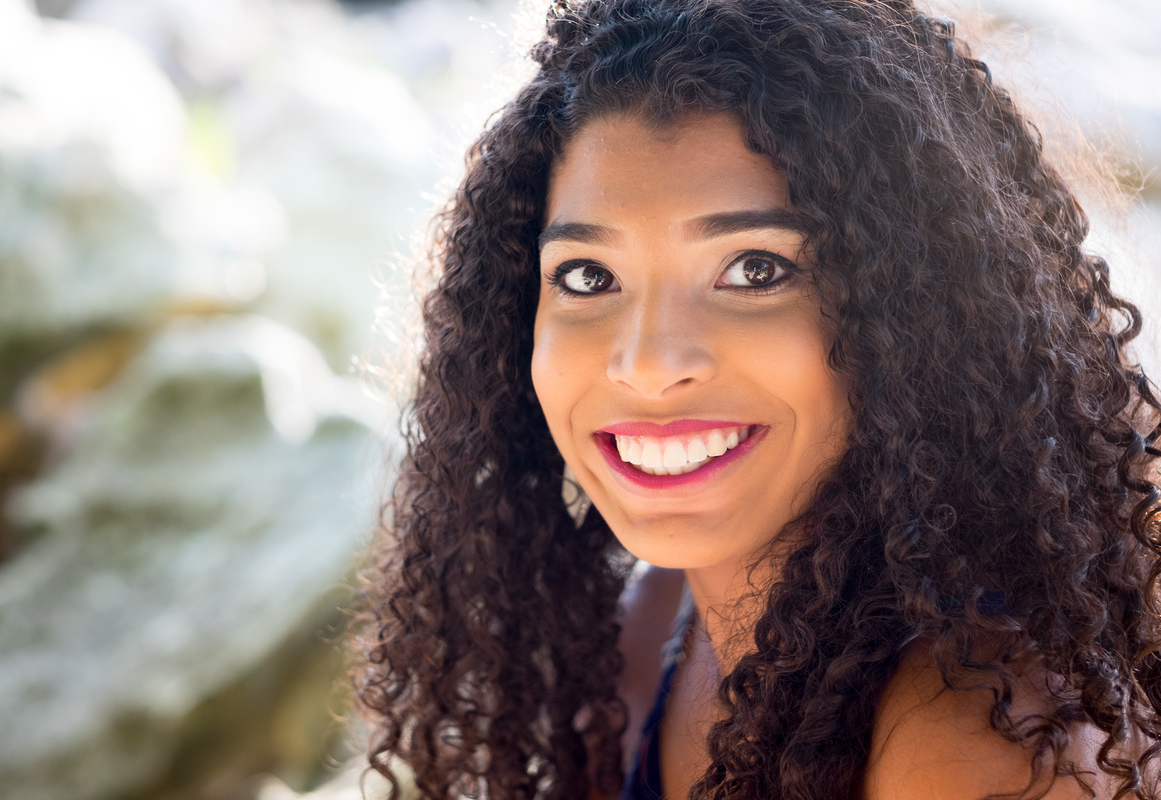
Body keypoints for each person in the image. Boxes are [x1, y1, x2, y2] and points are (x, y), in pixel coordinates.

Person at [354, 0, 1161, 797]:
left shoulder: (985, 746)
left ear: (915, 314)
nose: (647, 365)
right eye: (588, 277)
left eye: (755, 271)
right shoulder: (662, 616)